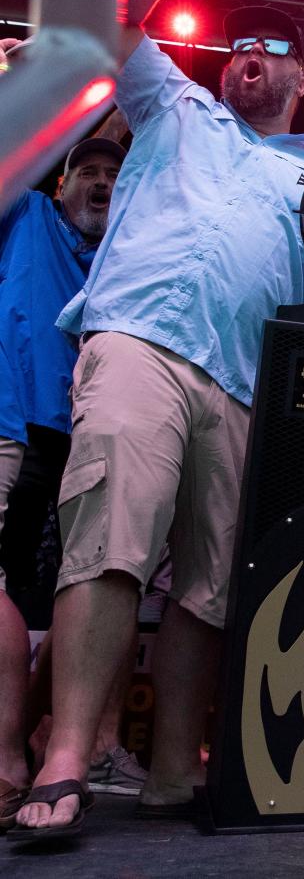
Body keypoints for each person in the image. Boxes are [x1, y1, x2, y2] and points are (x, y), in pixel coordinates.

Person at [10, 0, 304, 843]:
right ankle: (68, 754)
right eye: (242, 45)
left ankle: (169, 772)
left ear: (303, 77)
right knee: (110, 535)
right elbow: (101, 6)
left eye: (275, 50)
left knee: (207, 585)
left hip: (242, 385)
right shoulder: (175, 105)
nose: (252, 57)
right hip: (138, 342)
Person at [0, 131, 127, 830]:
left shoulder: (123, 254)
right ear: (60, 185)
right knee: (13, 586)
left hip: (91, 439)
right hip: (19, 430)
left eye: (114, 172)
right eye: (89, 171)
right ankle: (11, 751)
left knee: (79, 593)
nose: (102, 182)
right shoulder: (27, 216)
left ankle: (52, 736)